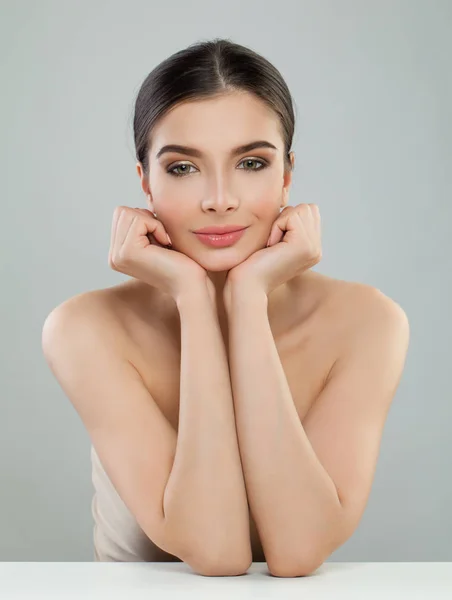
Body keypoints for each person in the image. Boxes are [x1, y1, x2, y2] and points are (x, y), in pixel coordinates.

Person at [42, 38, 410, 577]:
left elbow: (299, 551)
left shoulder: (367, 324)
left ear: (286, 174)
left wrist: (248, 299)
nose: (219, 199)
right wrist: (193, 298)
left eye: (252, 162)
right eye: (183, 168)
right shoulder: (86, 329)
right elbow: (214, 552)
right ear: (145, 181)